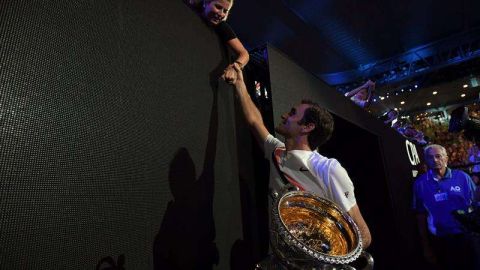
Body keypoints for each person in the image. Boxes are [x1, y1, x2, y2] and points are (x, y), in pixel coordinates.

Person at [226, 63, 372, 249]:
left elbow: (364, 236)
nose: (285, 116)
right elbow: (255, 121)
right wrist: (240, 83)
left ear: (307, 127)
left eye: (293, 114)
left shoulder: (328, 169)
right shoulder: (276, 152)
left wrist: (325, 255)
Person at [413, 144, 477, 269]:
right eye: (430, 157)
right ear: (426, 160)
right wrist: (426, 246)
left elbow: (476, 204)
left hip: (466, 237)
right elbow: (420, 216)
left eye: (438, 156)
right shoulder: (420, 184)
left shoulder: (462, 177)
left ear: (446, 158)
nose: (435, 160)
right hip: (440, 240)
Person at [189, 0, 249, 84]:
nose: (221, 14)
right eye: (218, 7)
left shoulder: (222, 26)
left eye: (225, 11)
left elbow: (244, 54)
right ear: (206, 2)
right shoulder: (189, 6)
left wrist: (235, 67)